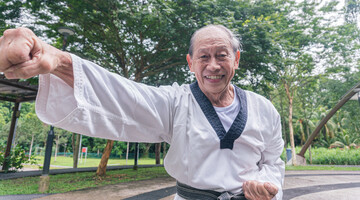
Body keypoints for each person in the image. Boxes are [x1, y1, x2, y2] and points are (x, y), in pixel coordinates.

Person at [0, 25, 285, 200]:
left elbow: (274, 160)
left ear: (236, 59)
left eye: (222, 55)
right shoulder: (175, 102)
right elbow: (125, 96)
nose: (213, 65)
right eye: (203, 56)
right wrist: (57, 60)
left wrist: (269, 186)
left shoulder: (264, 109)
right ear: (190, 63)